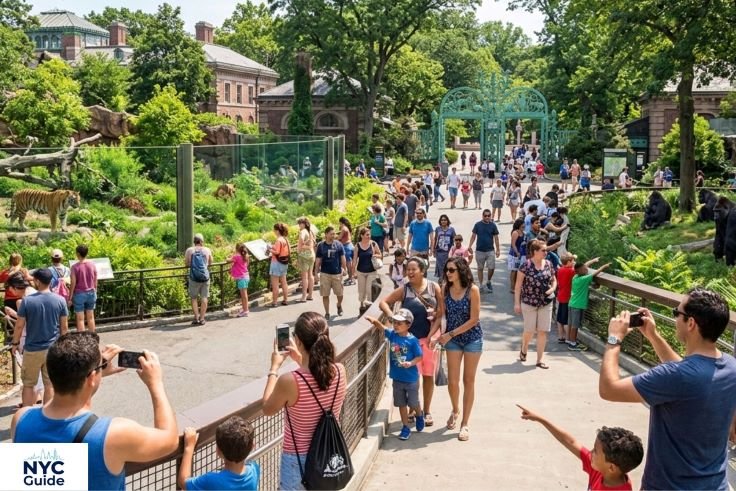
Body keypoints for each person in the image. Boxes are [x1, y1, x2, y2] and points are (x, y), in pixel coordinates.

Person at [599, 288, 736, 491]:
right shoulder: (730, 366)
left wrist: (614, 339)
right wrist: (653, 336)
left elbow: (609, 389)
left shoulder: (676, 376)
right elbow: (689, 375)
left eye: (677, 313)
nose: (674, 318)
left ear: (691, 323)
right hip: (715, 485)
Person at [11, 331, 179, 489]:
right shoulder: (113, 434)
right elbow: (170, 439)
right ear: (91, 378)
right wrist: (155, 383)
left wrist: (92, 374)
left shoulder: (21, 419)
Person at [262, 312, 347, 490]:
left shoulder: (290, 380)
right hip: (328, 454)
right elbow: (317, 377)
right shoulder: (339, 371)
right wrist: (300, 360)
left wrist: (274, 367)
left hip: (297, 460)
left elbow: (268, 408)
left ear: (298, 341)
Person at [379, 257, 444, 429]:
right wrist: (391, 317)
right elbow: (383, 302)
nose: (409, 272)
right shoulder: (404, 290)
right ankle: (415, 409)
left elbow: (441, 313)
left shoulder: (433, 287)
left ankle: (426, 410)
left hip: (427, 339)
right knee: (410, 378)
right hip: (407, 342)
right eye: (408, 269)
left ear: (422, 270)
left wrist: (432, 333)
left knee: (427, 376)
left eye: (413, 269)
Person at [517, 405, 643, 491]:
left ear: (611, 467)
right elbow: (570, 441)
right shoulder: (602, 470)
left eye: (595, 451)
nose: (591, 452)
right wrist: (540, 419)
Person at [431, 257, 482, 441]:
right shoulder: (445, 290)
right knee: (453, 382)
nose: (448, 273)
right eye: (447, 270)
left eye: (451, 270)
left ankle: (465, 423)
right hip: (451, 340)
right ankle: (455, 409)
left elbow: (474, 319)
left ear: (461, 270)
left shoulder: (472, 290)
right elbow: (441, 315)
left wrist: (450, 334)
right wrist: (432, 335)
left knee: (469, 380)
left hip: (471, 339)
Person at [10, 268, 68, 406]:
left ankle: (26, 415)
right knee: (50, 384)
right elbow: (64, 327)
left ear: (37, 281)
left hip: (32, 349)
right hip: (52, 348)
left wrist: (15, 343)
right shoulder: (60, 300)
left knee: (29, 385)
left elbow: (19, 326)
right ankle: (47, 415)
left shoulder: (27, 301)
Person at [366, 310, 424, 440]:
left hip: (411, 379)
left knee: (413, 403)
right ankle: (405, 427)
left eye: (399, 323)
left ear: (408, 325)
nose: (396, 325)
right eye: (395, 322)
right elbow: (382, 327)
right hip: (397, 378)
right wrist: (372, 320)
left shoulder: (413, 340)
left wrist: (410, 363)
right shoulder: (393, 335)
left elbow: (419, 356)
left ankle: (419, 414)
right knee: (401, 403)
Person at [178, 417, 260, 490]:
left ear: (218, 451)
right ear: (252, 447)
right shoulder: (254, 469)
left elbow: (183, 481)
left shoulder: (211, 480)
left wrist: (189, 447)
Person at [514, 239, 557, 369]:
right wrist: (517, 303)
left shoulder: (549, 264)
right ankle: (524, 348)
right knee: (530, 330)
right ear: (535, 252)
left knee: (543, 331)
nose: (546, 252)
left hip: (546, 302)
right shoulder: (525, 266)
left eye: (546, 250)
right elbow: (518, 286)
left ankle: (540, 359)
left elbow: (554, 280)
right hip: (529, 302)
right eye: (543, 250)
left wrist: (553, 288)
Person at [568, 258, 610, 350]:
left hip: (572, 303)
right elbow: (596, 273)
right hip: (577, 305)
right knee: (575, 325)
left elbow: (585, 265)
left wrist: (593, 260)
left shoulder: (575, 277)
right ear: (579, 271)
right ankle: (572, 344)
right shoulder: (584, 278)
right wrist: (604, 266)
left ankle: (570, 340)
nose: (586, 269)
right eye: (584, 269)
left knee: (572, 324)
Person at [314, 226, 347, 320]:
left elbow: (343, 257)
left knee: (340, 294)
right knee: (325, 294)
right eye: (331, 234)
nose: (333, 235)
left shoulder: (339, 245)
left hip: (337, 273)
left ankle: (339, 305)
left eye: (334, 234)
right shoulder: (321, 246)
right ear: (326, 234)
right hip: (325, 273)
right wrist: (316, 272)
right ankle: (327, 312)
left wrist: (344, 269)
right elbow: (318, 260)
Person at [467, 209, 500, 293]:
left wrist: (498, 250)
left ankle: (488, 281)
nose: (487, 217)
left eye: (489, 215)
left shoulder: (493, 225)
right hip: (479, 250)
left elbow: (496, 238)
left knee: (491, 267)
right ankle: (481, 285)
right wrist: (470, 246)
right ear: (482, 216)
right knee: (480, 268)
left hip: (490, 250)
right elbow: (473, 236)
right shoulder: (478, 225)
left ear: (491, 216)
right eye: (485, 215)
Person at [185, 234, 213, 324]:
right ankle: (202, 319)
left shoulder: (189, 250)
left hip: (194, 278)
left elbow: (186, 264)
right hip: (205, 278)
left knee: (194, 298)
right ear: (202, 241)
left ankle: (196, 318)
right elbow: (211, 262)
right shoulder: (207, 250)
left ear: (194, 241)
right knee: (204, 297)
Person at [70, 244, 98, 332]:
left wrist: (70, 296)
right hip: (91, 292)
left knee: (80, 318)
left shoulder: (74, 267)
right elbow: (95, 279)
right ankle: (93, 336)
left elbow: (73, 282)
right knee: (91, 317)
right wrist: (95, 290)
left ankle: (82, 340)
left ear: (78, 254)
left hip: (79, 294)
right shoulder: (92, 265)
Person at [355, 226, 382, 313]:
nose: (369, 236)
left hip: (372, 271)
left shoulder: (373, 244)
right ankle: (362, 304)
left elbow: (380, 254)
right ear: (362, 236)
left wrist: (375, 255)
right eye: (367, 235)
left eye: (369, 235)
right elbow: (354, 259)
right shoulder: (357, 246)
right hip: (361, 271)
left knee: (369, 289)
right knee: (361, 290)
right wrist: (353, 272)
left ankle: (369, 306)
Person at [555, 253, 576, 346]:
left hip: (560, 296)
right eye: (572, 261)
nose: (574, 262)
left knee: (560, 318)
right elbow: (581, 270)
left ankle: (560, 337)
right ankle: (568, 338)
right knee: (567, 319)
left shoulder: (560, 270)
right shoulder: (571, 271)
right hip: (568, 297)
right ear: (568, 262)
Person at [269, 223, 291, 308]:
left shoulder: (278, 240)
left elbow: (277, 252)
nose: (274, 231)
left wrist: (270, 249)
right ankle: (285, 299)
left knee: (275, 284)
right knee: (284, 282)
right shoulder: (285, 239)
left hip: (276, 263)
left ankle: (274, 302)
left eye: (274, 230)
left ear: (277, 231)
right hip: (284, 263)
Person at [295, 217, 316, 304]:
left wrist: (300, 246)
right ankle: (310, 295)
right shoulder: (310, 231)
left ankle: (303, 296)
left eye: (300, 224)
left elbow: (301, 239)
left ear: (303, 224)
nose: (299, 225)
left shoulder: (303, 231)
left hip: (304, 256)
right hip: (311, 255)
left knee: (304, 277)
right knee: (310, 275)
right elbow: (312, 243)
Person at [227, 243, 250, 317]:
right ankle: (245, 309)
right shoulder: (245, 256)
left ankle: (245, 311)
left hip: (241, 278)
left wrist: (227, 257)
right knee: (244, 295)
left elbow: (228, 260)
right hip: (246, 276)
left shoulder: (237, 256)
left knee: (244, 295)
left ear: (236, 249)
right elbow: (247, 264)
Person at [433, 214, 455, 280]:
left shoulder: (451, 229)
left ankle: (447, 280)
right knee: (440, 268)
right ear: (440, 221)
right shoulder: (437, 229)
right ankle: (441, 281)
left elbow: (454, 239)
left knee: (447, 267)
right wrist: (433, 250)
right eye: (442, 220)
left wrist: (454, 251)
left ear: (447, 221)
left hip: (448, 252)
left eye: (445, 220)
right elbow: (435, 239)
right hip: (439, 252)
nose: (443, 221)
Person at [508, 218, 526, 293]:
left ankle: (518, 286)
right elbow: (513, 244)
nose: (523, 228)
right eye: (522, 226)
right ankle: (512, 287)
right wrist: (517, 252)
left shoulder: (523, 233)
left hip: (522, 254)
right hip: (514, 255)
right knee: (514, 271)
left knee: (520, 271)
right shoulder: (515, 233)